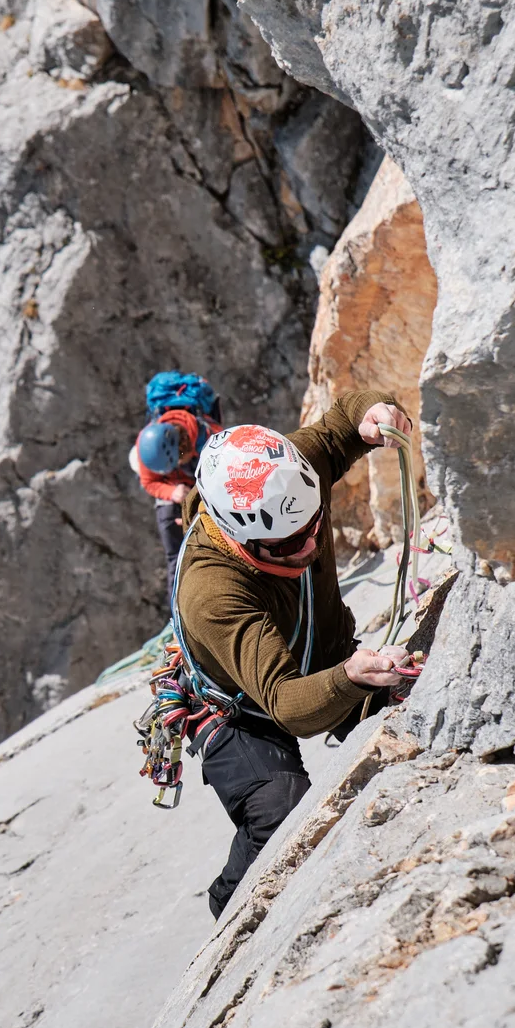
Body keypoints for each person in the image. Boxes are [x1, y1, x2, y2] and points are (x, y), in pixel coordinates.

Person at [173, 390, 416, 918]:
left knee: (413, 709)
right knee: (279, 808)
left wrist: (372, 414)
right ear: (240, 539)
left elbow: (340, 424)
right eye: (287, 545)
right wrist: (351, 676)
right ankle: (229, 906)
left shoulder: (288, 479)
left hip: (318, 654)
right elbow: (286, 703)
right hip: (237, 709)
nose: (308, 547)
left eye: (314, 528)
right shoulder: (212, 591)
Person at [131, 373, 222, 580]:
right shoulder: (146, 443)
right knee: (175, 555)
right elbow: (148, 481)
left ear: (185, 455)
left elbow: (223, 482)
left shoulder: (210, 439)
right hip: (174, 492)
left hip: (203, 489)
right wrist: (172, 492)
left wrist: (196, 504)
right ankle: (177, 607)